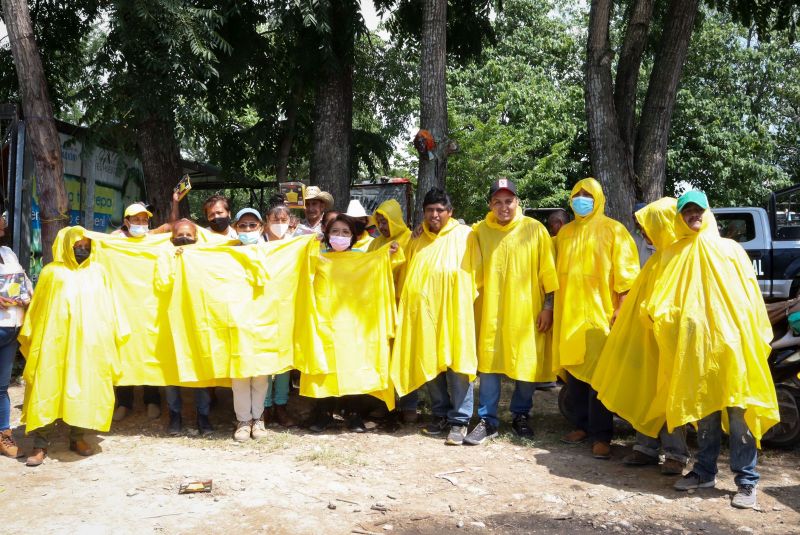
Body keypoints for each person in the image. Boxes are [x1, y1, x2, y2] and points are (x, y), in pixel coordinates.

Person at [645, 191, 779, 509]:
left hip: (732, 348)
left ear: (708, 212)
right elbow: (663, 301)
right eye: (687, 211)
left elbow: (750, 299)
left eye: (698, 210)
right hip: (695, 350)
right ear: (680, 217)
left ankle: (747, 482)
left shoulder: (730, 250)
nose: (694, 215)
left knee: (739, 415)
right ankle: (704, 471)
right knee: (703, 412)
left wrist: (753, 337)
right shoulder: (673, 254)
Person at [589, 198, 688, 475]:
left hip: (670, 340)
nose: (643, 233)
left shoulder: (682, 258)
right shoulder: (658, 257)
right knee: (645, 389)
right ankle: (645, 447)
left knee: (668, 396)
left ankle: (675, 454)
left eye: (648, 227)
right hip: (645, 338)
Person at [21, 227, 129, 466]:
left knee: (83, 388)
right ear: (66, 246)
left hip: (88, 345)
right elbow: (37, 311)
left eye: (86, 247)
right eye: (77, 247)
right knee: (47, 388)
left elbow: (108, 306)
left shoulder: (99, 272)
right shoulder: (52, 273)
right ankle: (40, 445)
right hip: (54, 344)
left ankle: (77, 437)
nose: (82, 251)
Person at [465, 179, 558, 445]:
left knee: (525, 363)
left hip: (526, 312)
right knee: (490, 365)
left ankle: (521, 415)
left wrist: (548, 308)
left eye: (509, 201)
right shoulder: (480, 231)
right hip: (491, 312)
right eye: (497, 201)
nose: (503, 207)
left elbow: (548, 274)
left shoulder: (535, 230)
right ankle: (487, 420)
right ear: (490, 205)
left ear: (518, 201)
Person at [552, 178, 639, 460]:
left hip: (601, 317)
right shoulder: (565, 233)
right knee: (576, 375)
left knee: (599, 379)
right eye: (576, 194)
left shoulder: (614, 230)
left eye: (587, 195)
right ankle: (580, 426)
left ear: (599, 198)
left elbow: (627, 277)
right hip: (570, 316)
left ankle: (602, 436)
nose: (581, 199)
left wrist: (621, 309)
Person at [391, 188, 479, 445]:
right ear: (423, 213)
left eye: (440, 209)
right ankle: (440, 414)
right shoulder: (417, 239)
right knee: (429, 362)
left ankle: (459, 421)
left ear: (450, 212)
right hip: (424, 315)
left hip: (454, 312)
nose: (434, 214)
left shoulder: (466, 235)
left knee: (457, 365)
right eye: (429, 210)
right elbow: (400, 265)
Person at [303, 214, 400, 433]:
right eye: (335, 232)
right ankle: (324, 413)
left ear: (353, 237)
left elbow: (381, 266)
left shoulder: (363, 258)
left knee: (353, 365)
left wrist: (388, 254)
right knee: (325, 366)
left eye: (345, 232)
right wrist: (309, 245)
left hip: (354, 324)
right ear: (327, 235)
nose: (340, 236)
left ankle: (354, 414)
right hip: (324, 323)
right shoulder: (317, 256)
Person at [111, 201, 176, 422]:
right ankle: (124, 402)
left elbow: (172, 229)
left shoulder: (155, 242)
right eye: (136, 220)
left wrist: (175, 201)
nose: (141, 223)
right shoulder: (114, 242)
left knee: (151, 351)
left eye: (144, 220)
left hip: (151, 306)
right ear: (126, 222)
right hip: (123, 305)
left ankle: (152, 400)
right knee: (123, 352)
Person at [225, 208, 272, 441]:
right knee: (240, 374)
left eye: (252, 225)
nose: (247, 229)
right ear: (235, 227)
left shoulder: (274, 251)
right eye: (242, 225)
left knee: (262, 373)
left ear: (261, 227)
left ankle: (259, 419)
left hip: (264, 319)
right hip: (236, 319)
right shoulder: (226, 253)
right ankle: (243, 420)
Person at [164, 219, 213, 436]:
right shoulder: (162, 256)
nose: (184, 239)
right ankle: (175, 416)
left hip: (197, 321)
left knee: (199, 370)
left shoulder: (206, 257)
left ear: (196, 237)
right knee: (170, 371)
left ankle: (203, 416)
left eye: (188, 235)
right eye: (179, 235)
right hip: (168, 322)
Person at [260, 204, 297, 427]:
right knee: (264, 359)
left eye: (284, 219)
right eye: (275, 219)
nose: (279, 224)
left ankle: (281, 406)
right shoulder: (255, 244)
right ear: (266, 220)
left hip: (287, 307)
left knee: (284, 361)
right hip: (260, 308)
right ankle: (263, 408)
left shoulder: (294, 244)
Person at [0, 213, 32, 459]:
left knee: (1, 387)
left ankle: (4, 434)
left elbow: (24, 283)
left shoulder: (8, 253)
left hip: (10, 328)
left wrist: (26, 297)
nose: (3, 227)